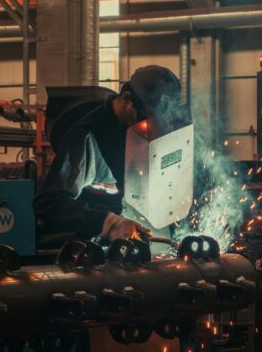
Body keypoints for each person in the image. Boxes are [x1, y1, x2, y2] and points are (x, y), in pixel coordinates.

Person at [34, 65, 181, 242]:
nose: (151, 129)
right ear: (127, 99)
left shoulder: (145, 135)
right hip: (91, 252)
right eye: (145, 119)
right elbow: (49, 203)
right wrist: (109, 223)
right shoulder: (87, 138)